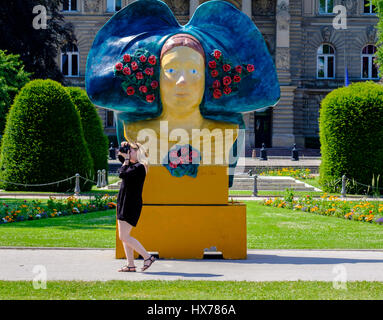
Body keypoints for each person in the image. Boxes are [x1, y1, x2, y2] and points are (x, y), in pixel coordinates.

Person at [116, 140, 155, 272]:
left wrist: (126, 159)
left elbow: (122, 173)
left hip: (131, 204)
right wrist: (123, 150)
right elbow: (120, 160)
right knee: (124, 236)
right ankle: (130, 265)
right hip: (123, 202)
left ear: (138, 152)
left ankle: (147, 257)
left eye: (131, 150)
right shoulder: (130, 165)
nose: (129, 153)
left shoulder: (140, 166)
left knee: (124, 236)